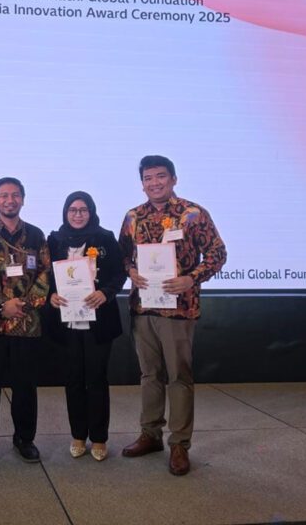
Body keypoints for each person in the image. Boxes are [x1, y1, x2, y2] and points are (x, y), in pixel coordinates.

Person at [118, 155, 226, 476]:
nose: (155, 183)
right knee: (149, 375)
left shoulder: (193, 214)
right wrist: (131, 271)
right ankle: (150, 434)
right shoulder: (133, 217)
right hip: (143, 307)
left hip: (179, 309)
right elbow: (123, 257)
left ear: (173, 179)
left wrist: (191, 279)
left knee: (179, 376)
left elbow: (218, 253)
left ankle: (179, 444)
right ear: (142, 183)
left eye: (160, 176)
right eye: (148, 178)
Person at [0, 177, 51, 465]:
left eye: (15, 195)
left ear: (23, 199)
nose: (10, 200)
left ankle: (24, 438)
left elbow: (45, 274)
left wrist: (23, 305)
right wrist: (2, 304)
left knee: (25, 385)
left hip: (27, 323)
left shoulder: (37, 235)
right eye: (3, 195)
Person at [46, 191, 126, 461]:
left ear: (91, 212)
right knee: (73, 380)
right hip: (66, 321)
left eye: (83, 210)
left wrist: (105, 292)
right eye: (73, 210)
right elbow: (45, 276)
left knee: (96, 379)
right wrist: (50, 296)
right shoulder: (54, 240)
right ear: (65, 213)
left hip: (98, 320)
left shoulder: (105, 238)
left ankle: (99, 437)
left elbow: (119, 273)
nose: (78, 215)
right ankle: (78, 435)